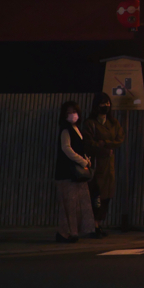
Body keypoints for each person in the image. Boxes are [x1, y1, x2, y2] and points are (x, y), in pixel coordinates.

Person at [81, 92, 125, 238]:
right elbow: (88, 143)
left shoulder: (113, 123)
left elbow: (119, 140)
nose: (105, 106)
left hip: (108, 165)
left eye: (107, 103)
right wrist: (103, 147)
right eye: (102, 104)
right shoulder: (90, 123)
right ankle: (93, 225)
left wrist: (104, 144)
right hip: (95, 164)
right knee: (95, 195)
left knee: (107, 195)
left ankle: (99, 223)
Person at [55, 101, 95, 243]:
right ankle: (66, 232)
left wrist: (86, 160)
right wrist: (82, 161)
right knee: (69, 204)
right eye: (69, 112)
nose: (72, 115)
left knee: (77, 203)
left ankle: (74, 231)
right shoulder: (66, 129)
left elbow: (79, 148)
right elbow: (66, 148)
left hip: (76, 172)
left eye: (74, 111)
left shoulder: (76, 129)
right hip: (67, 172)